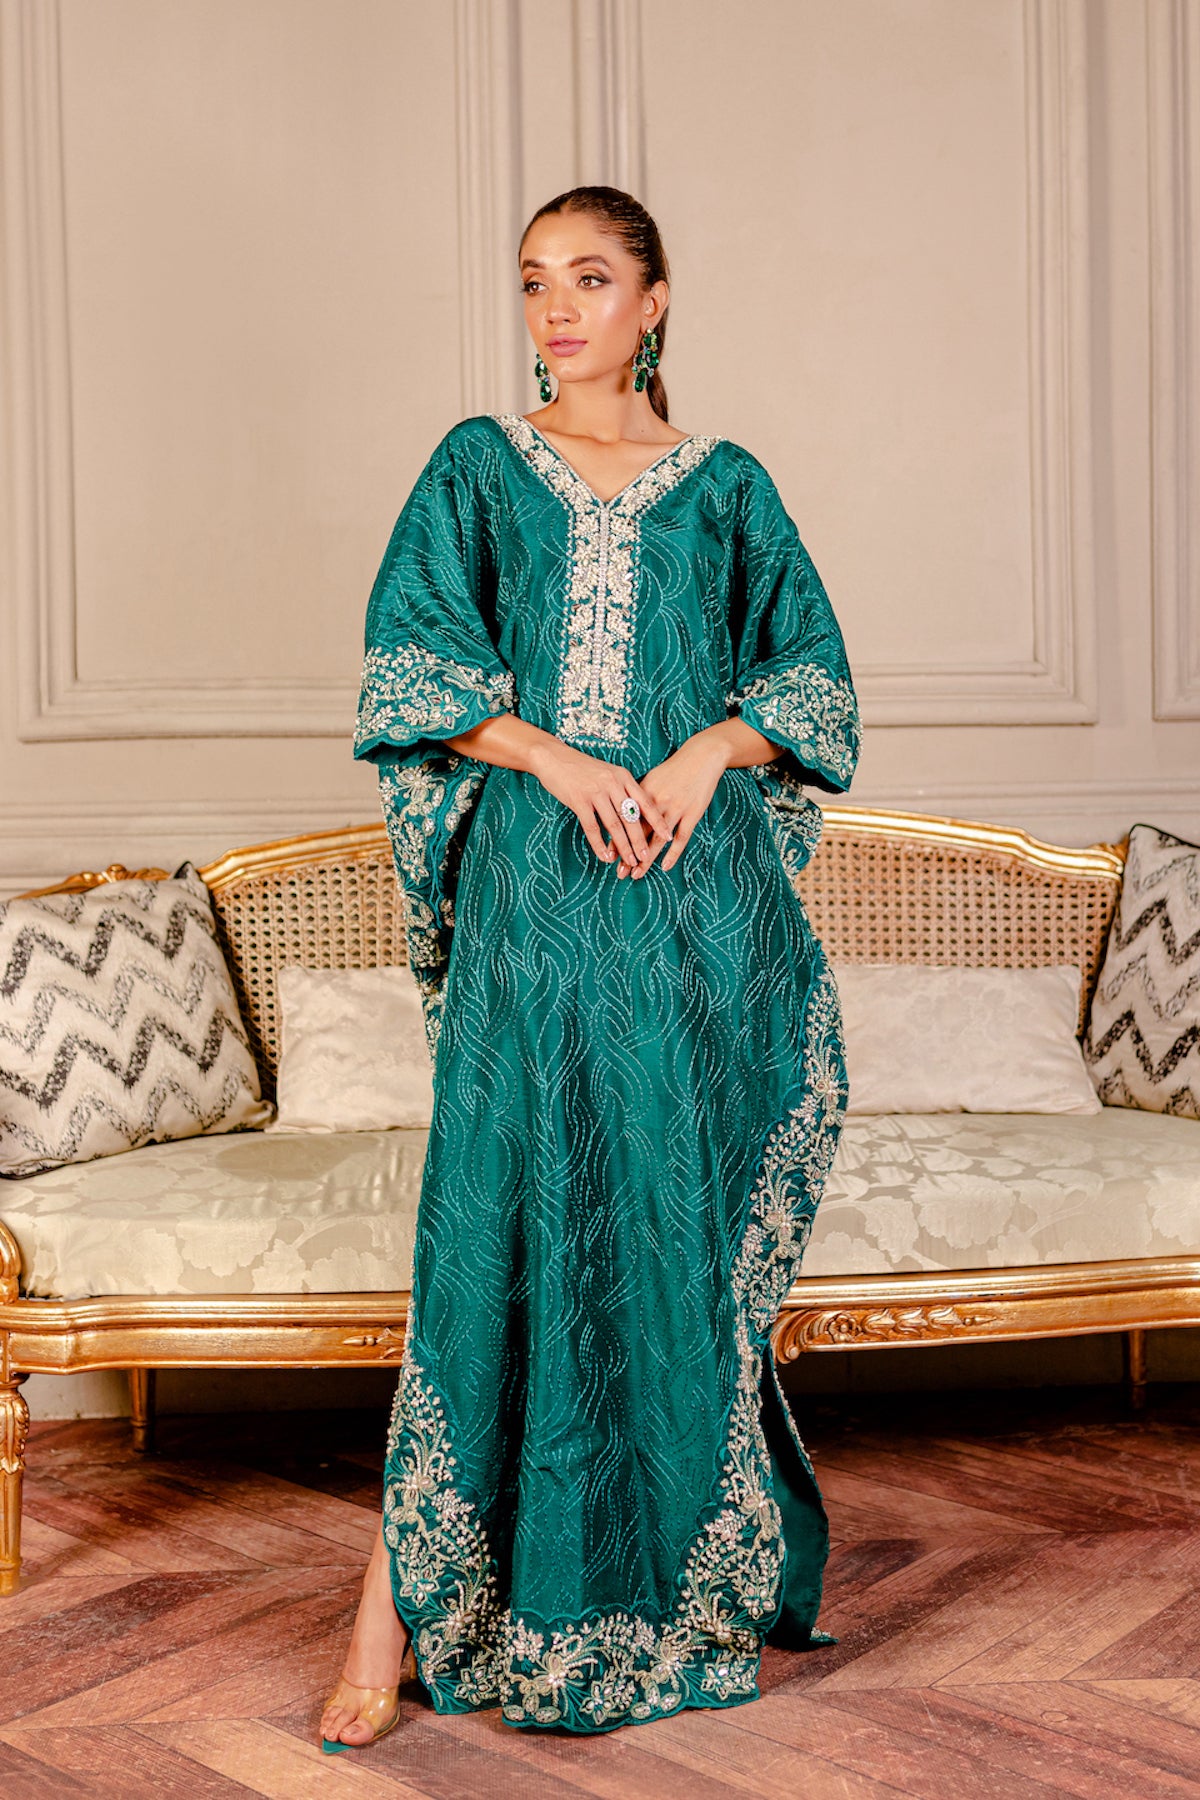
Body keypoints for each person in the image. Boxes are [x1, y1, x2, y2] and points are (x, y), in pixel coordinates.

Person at [320, 183, 861, 1752]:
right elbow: (412, 671)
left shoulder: (727, 486)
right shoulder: (480, 466)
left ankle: (660, 1599)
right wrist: (556, 757)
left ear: (656, 299)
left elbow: (811, 683)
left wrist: (705, 751)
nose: (557, 309)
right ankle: (387, 1615)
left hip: (694, 920)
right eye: (534, 282)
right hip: (534, 908)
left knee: (661, 1235)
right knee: (489, 1228)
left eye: (592, 278)